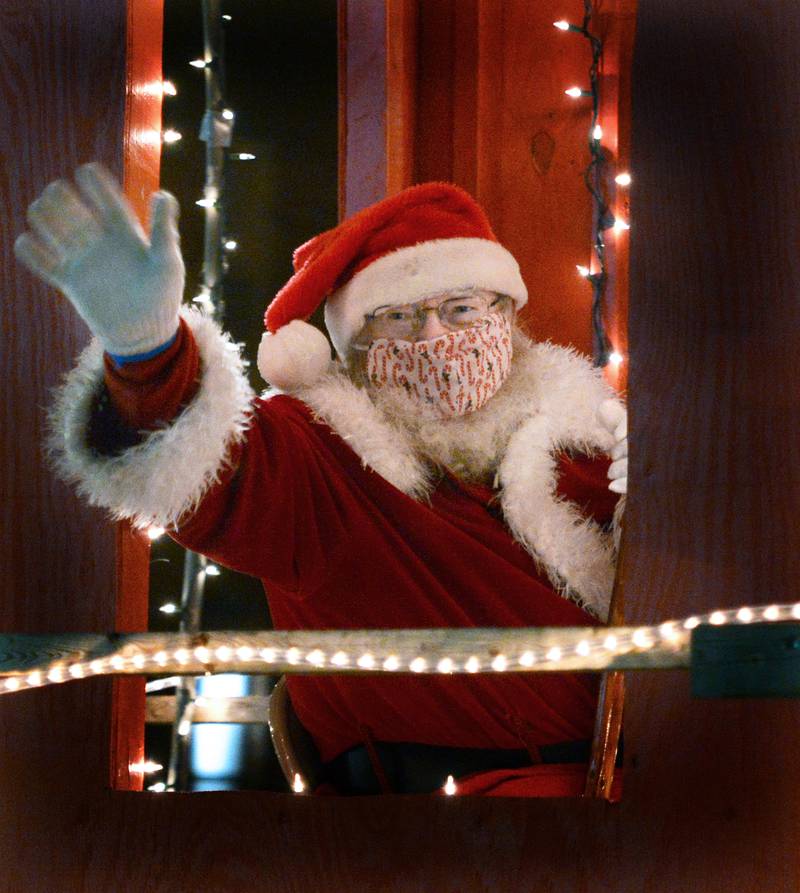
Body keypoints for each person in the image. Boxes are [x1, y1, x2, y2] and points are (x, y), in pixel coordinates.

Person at [15, 163, 628, 797]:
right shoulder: (318, 454)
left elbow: (691, 589)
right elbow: (206, 466)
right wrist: (145, 351)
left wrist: (662, 505)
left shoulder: (589, 443)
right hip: (434, 829)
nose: (437, 337)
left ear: (508, 315)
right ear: (355, 346)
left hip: (631, 792)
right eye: (398, 319)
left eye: (462, 308)